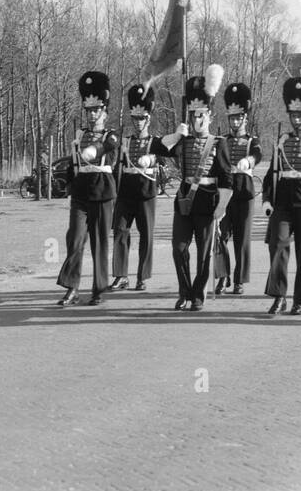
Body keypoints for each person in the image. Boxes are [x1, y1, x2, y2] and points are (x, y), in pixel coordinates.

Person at [154, 68, 230, 311]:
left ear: (209, 115)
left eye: (201, 115)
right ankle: (184, 290)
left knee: (204, 254)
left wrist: (222, 206)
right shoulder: (183, 140)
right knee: (179, 249)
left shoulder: (219, 143)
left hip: (208, 202)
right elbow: (158, 148)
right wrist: (176, 135)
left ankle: (198, 294)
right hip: (185, 200)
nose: (196, 120)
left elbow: (227, 180)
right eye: (192, 114)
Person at [262, 76, 301, 315]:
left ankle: (299, 298)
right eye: (293, 114)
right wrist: (267, 198)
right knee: (277, 245)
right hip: (284, 200)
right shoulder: (282, 141)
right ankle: (279, 295)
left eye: (300, 115)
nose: (296, 119)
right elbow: (272, 173)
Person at [58, 71, 120, 307]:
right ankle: (71, 287)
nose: (92, 114)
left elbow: (105, 147)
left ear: (105, 111)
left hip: (103, 192)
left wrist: (93, 151)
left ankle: (99, 289)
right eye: (89, 110)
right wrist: (68, 183)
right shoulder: (79, 135)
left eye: (97, 110)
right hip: (81, 193)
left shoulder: (111, 135)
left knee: (99, 242)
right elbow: (74, 164)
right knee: (74, 239)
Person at [215, 81, 262, 295]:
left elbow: (258, 154)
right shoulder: (221, 140)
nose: (235, 122)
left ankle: (239, 280)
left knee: (242, 239)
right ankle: (222, 276)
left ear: (245, 118)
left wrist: (249, 161)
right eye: (232, 118)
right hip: (224, 193)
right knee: (220, 236)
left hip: (244, 192)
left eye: (238, 118)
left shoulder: (252, 140)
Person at [111, 82, 158, 292]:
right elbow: (117, 168)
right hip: (126, 193)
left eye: (142, 118)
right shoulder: (125, 142)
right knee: (120, 231)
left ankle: (142, 276)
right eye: (135, 118)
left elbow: (164, 165)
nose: (138, 122)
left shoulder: (155, 142)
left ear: (148, 118)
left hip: (146, 193)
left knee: (146, 235)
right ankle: (121, 275)